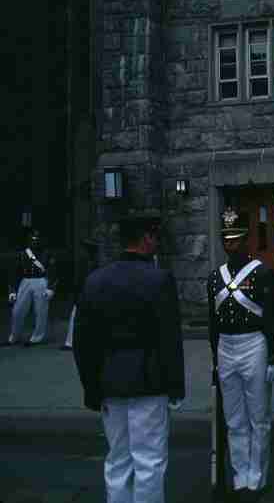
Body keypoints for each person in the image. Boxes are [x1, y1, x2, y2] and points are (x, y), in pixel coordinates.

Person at [73, 210, 185, 503]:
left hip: (110, 381)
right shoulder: (159, 280)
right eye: (154, 236)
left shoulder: (96, 280)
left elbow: (84, 342)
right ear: (146, 239)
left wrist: (91, 387)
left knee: (118, 460)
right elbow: (169, 339)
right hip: (149, 381)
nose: (157, 242)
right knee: (149, 462)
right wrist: (176, 386)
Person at [208, 206, 274, 502]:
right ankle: (240, 475)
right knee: (235, 419)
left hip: (254, 345)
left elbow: (273, 316)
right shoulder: (215, 278)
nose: (231, 245)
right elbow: (213, 322)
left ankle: (258, 476)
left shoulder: (262, 273)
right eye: (227, 240)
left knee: (258, 417)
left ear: (246, 240)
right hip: (227, 347)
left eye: (236, 239)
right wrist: (215, 358)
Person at [5, 229, 57, 346]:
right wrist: (12, 291)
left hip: (41, 281)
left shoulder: (47, 253)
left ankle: (37, 337)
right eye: (32, 238)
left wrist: (51, 288)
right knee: (17, 310)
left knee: (41, 311)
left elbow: (53, 271)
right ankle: (14, 336)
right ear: (28, 239)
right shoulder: (22, 254)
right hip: (25, 281)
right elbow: (15, 273)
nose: (35, 240)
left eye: (37, 238)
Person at [62, 237, 101, 351]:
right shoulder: (91, 262)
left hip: (85, 293)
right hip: (87, 293)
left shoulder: (87, 262)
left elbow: (80, 281)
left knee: (77, 318)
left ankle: (71, 342)